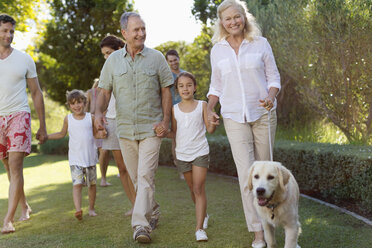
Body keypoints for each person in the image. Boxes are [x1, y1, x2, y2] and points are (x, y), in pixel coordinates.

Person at [206, 1, 281, 247]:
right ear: (222, 22)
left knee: (268, 176)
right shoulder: (217, 50)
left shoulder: (261, 43)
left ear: (244, 17)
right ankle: (258, 232)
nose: (233, 22)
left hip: (263, 114)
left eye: (236, 17)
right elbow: (215, 86)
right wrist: (209, 107)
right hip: (233, 116)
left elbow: (273, 77)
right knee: (247, 176)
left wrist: (270, 97)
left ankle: (273, 226)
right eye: (227, 18)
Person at [95, 12, 173, 243]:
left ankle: (141, 226)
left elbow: (167, 90)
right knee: (139, 180)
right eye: (136, 30)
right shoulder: (113, 61)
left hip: (152, 128)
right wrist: (98, 112)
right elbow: (105, 91)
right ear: (124, 33)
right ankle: (154, 209)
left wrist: (165, 121)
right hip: (125, 130)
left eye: (143, 28)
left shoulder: (157, 58)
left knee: (146, 176)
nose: (141, 33)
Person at [0, 14, 48, 234]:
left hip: (19, 115)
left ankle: (8, 220)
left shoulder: (24, 59)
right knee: (9, 167)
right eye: (4, 30)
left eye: (11, 31)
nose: (9, 35)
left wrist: (43, 125)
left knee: (16, 166)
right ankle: (24, 206)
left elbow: (37, 93)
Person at [163, 72, 216, 241]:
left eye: (188, 85)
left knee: (199, 188)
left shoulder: (202, 105)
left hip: (200, 151)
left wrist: (213, 124)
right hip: (182, 155)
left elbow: (210, 130)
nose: (185, 88)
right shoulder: (174, 109)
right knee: (193, 189)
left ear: (195, 87)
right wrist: (163, 132)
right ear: (177, 90)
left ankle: (199, 229)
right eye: (181, 86)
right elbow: (174, 133)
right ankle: (204, 214)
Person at [48, 90, 104, 220]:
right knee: (77, 184)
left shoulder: (91, 117)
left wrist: (102, 134)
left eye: (79, 102)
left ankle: (91, 209)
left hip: (90, 157)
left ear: (85, 102)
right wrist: (47, 137)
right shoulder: (68, 119)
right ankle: (78, 210)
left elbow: (96, 134)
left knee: (92, 185)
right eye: (73, 103)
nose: (76, 106)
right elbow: (61, 134)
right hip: (75, 159)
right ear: (69, 105)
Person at [98, 35, 136, 216]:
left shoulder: (131, 65)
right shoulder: (106, 69)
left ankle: (145, 203)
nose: (106, 57)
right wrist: (100, 116)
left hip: (129, 121)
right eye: (104, 55)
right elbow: (103, 95)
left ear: (120, 48)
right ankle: (135, 204)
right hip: (111, 121)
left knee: (134, 168)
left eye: (109, 53)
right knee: (121, 168)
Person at [86, 79, 111, 187]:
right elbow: (86, 109)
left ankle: (103, 179)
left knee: (105, 152)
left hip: (107, 123)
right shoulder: (91, 93)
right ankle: (89, 178)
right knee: (95, 152)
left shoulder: (109, 91)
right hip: (94, 124)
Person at [165, 49, 186, 180]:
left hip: (187, 110)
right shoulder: (167, 76)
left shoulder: (185, 74)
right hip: (173, 111)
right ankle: (180, 169)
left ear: (179, 58)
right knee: (176, 141)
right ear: (167, 62)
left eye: (175, 60)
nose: (173, 63)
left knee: (187, 139)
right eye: (170, 61)